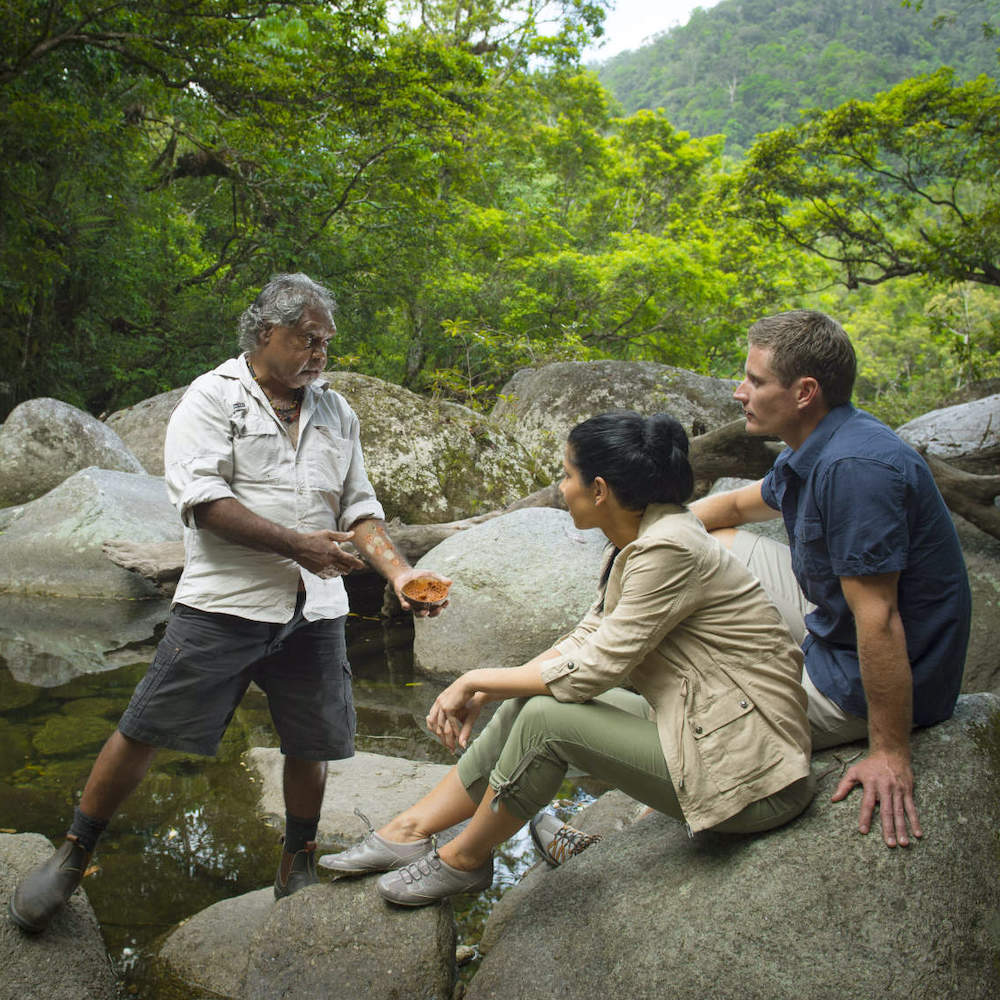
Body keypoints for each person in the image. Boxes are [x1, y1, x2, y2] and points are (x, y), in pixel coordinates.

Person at [9, 273, 449, 934]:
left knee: (311, 742)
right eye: (308, 339)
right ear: (266, 333)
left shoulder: (336, 412)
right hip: (224, 604)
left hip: (316, 611)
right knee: (143, 727)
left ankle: (295, 861)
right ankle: (74, 855)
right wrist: (299, 546)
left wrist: (399, 573)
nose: (320, 354)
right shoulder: (212, 401)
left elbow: (360, 508)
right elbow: (204, 503)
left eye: (326, 342)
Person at [319, 411, 815, 907]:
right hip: (705, 726)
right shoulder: (643, 537)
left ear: (599, 489)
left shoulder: (669, 549)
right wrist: (491, 687)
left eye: (567, 475)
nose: (561, 487)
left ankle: (465, 860)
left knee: (546, 720)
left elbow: (593, 671)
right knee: (519, 708)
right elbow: (591, 636)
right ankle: (409, 829)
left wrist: (472, 678)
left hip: (750, 777)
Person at [690, 309, 971, 850]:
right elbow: (731, 507)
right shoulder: (817, 445)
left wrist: (888, 752)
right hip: (834, 621)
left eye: (755, 380)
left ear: (804, 392)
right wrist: (643, 534)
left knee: (706, 714)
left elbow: (881, 619)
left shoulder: (854, 468)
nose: (737, 391)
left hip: (866, 674)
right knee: (705, 545)